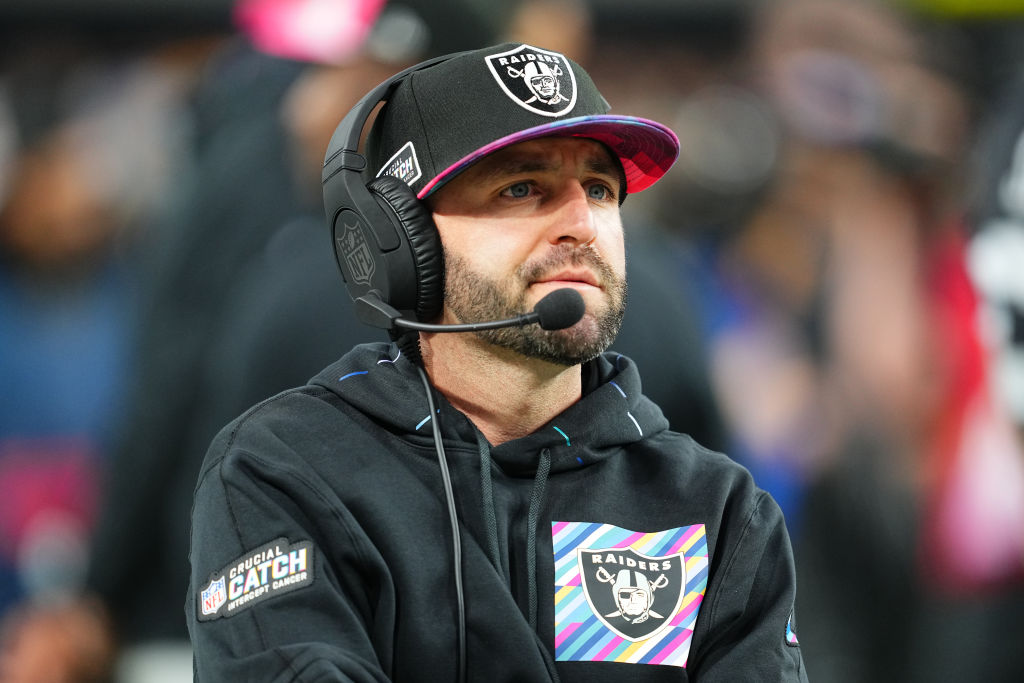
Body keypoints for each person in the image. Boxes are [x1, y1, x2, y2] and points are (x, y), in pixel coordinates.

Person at [186, 42, 806, 681]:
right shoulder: (284, 472)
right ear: (399, 244)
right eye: (522, 188)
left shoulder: (715, 506)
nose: (582, 225)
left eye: (599, 189)